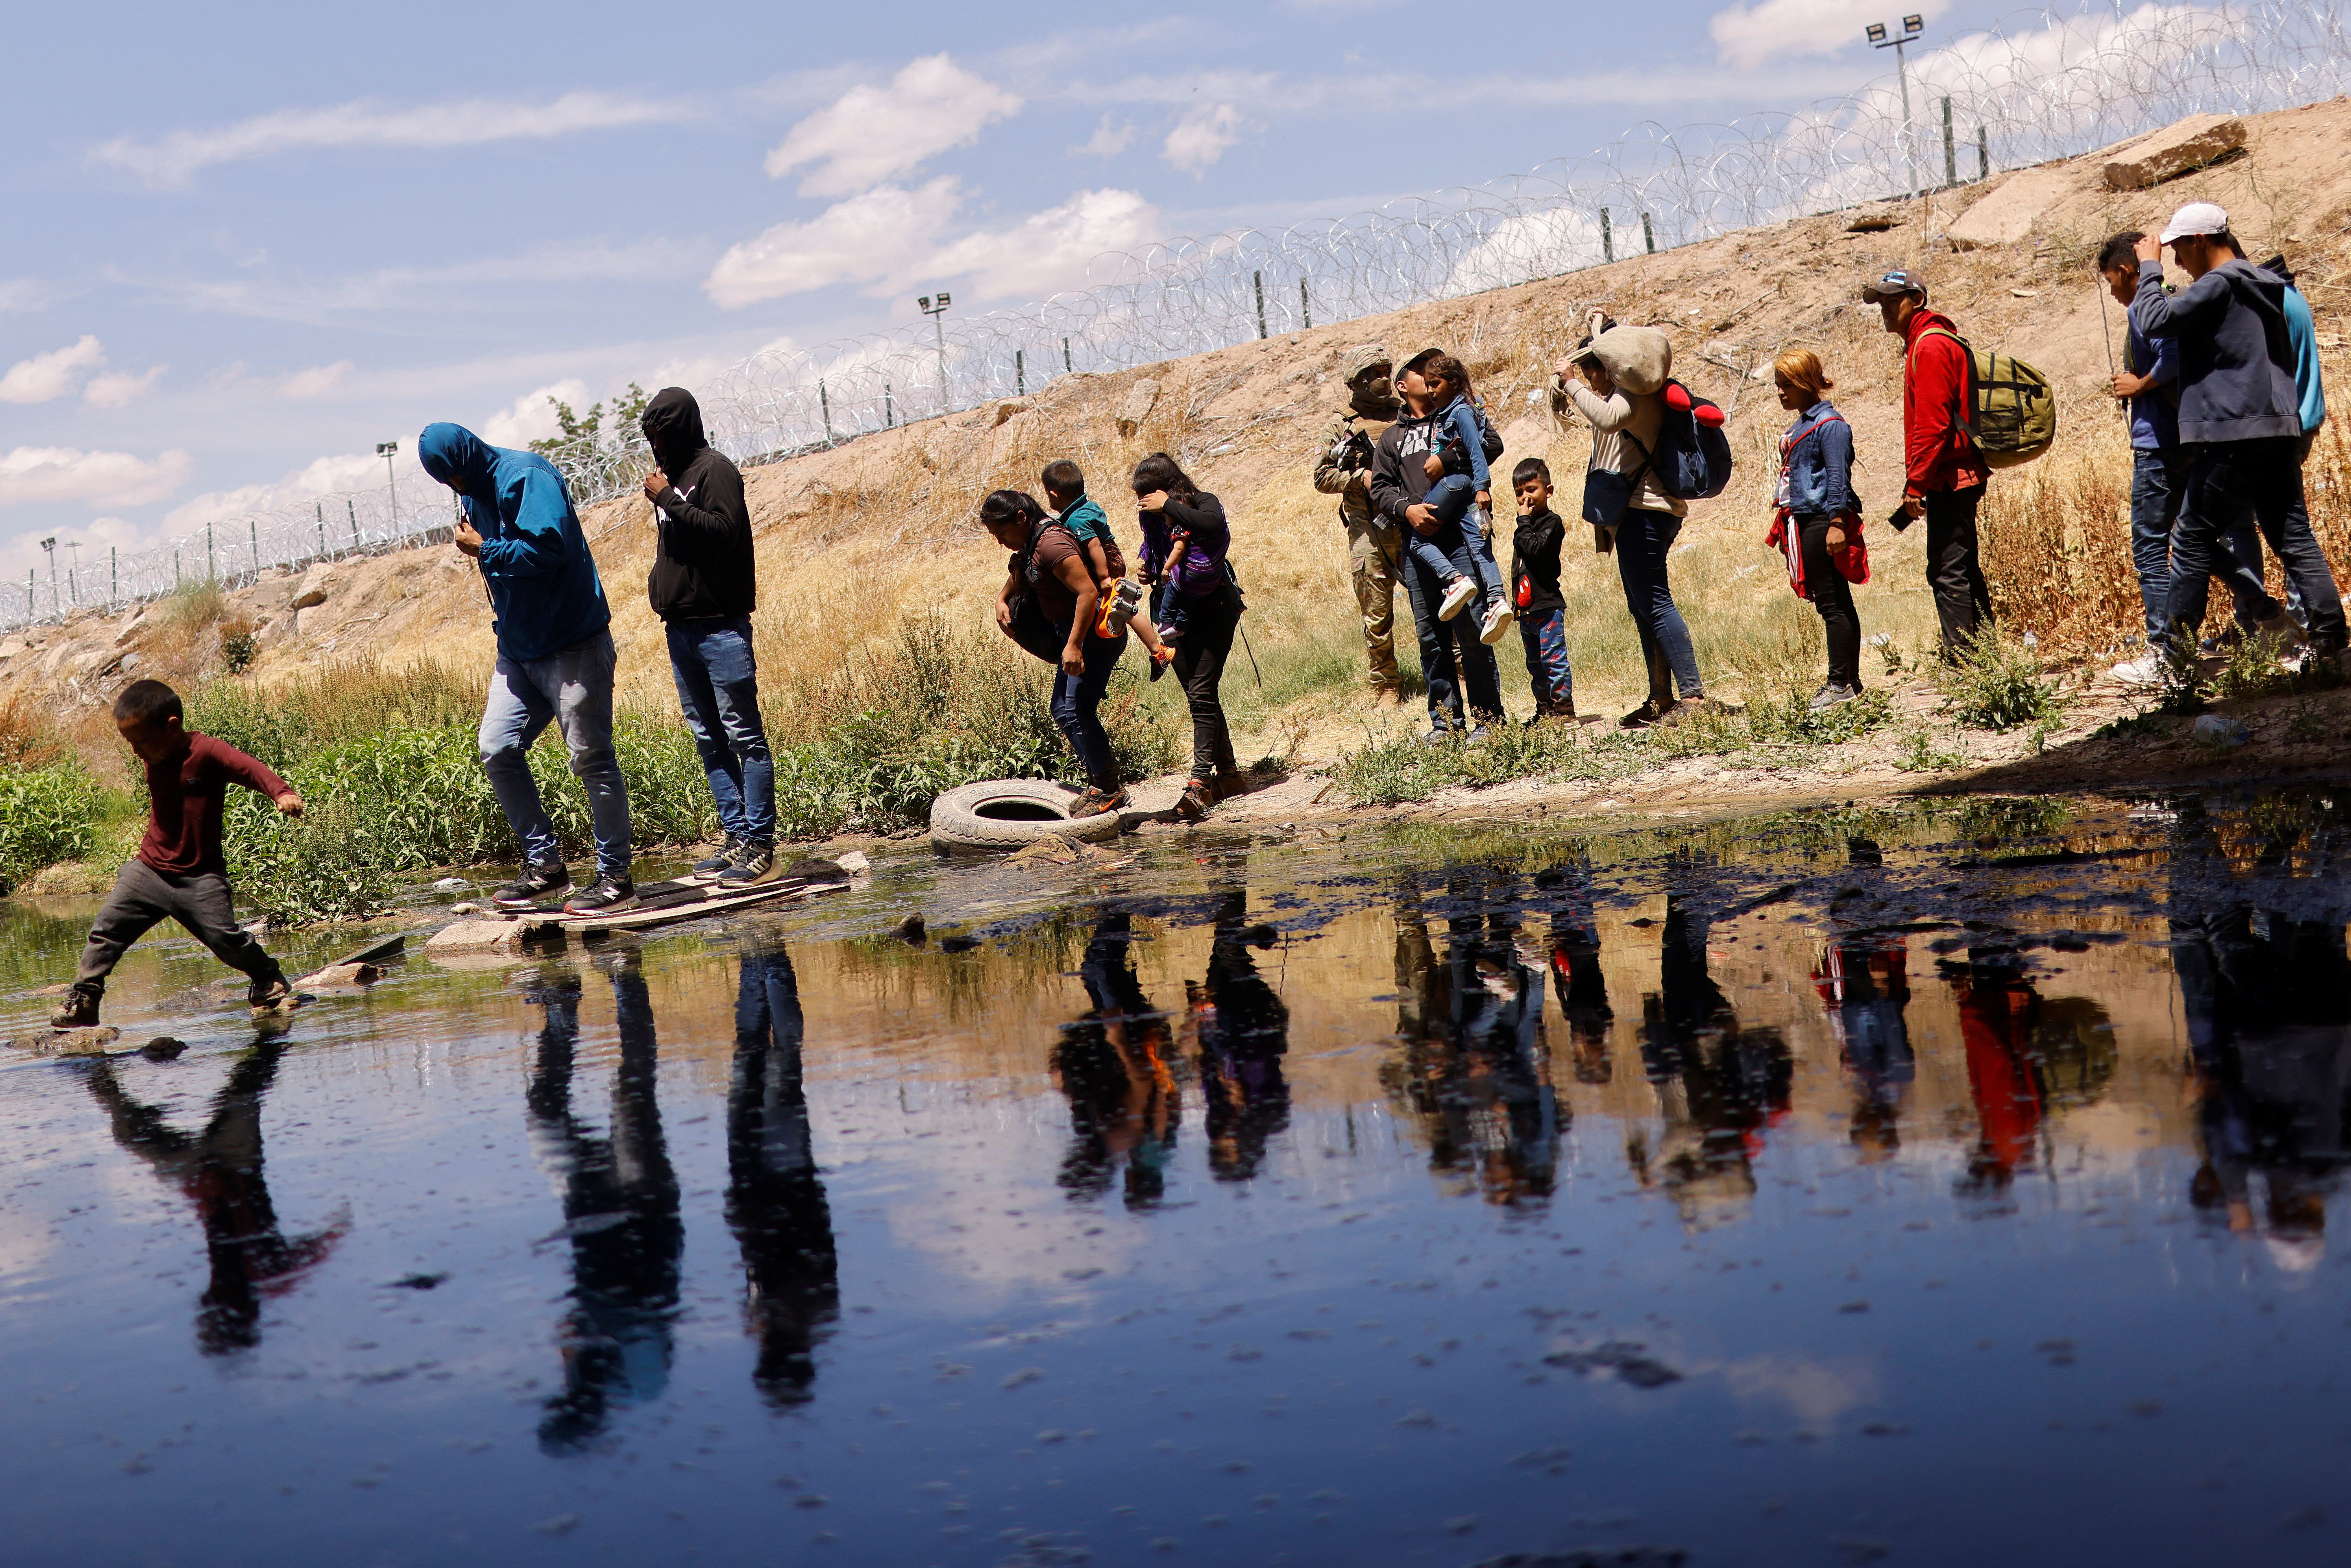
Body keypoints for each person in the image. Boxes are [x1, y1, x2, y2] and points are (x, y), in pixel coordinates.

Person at [421, 421, 635, 914]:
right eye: (444, 481)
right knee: (497, 747)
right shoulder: (472, 492)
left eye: (452, 475)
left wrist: (486, 549)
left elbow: (551, 548)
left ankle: (615, 876)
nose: (452, 487)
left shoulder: (525, 477)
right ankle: (546, 866)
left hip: (572, 643)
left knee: (591, 758)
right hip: (519, 650)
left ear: (466, 456)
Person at [2132, 203, 2348, 669]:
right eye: (2166, 253)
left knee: (2190, 539)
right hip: (2276, 428)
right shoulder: (2266, 284)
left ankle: (2176, 661)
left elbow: (2155, 320)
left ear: (2202, 240)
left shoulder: (2220, 283)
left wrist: (2148, 268)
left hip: (2233, 432)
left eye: (2178, 249)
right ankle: (2332, 646)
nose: (2175, 261)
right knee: (2293, 536)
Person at [51, 678, 301, 1029]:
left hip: (200, 877)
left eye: (143, 741)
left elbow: (249, 768)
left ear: (172, 727)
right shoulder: (156, 750)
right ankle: (85, 1001)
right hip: (149, 871)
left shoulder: (209, 752)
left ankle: (266, 976)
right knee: (106, 932)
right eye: (130, 743)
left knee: (225, 938)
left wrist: (281, 793)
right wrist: (146, 744)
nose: (137, 751)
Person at [2098, 232, 2284, 685]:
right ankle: (2264, 610)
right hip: (2182, 439)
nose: (2113, 293)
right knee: (2195, 539)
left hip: (2159, 444)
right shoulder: (2167, 300)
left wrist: (2138, 385)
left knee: (2150, 544)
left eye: (2112, 282)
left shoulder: (2149, 306)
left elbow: (2172, 358)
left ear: (2127, 271)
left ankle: (2164, 649)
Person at [639, 386, 776, 888]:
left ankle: (760, 845)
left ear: (681, 428)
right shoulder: (671, 478)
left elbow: (724, 531)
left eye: (661, 434)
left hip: (721, 626)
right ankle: (736, 836)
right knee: (708, 738)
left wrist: (670, 500)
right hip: (682, 628)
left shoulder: (714, 470)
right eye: (649, 436)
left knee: (744, 738)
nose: (655, 445)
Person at [1550, 320, 1707, 727]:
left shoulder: (1629, 398)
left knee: (1654, 602)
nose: (1588, 377)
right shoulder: (1634, 394)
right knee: (1643, 607)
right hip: (1642, 513)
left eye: (1592, 369)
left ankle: (1691, 699)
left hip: (1645, 512)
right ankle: (1660, 699)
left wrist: (1570, 383)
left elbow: (1605, 418)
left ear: (1611, 367)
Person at [1372, 348, 1508, 739]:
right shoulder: (1391, 438)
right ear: (1404, 385)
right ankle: (1445, 725)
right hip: (1418, 547)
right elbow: (1380, 488)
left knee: (1472, 630)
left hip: (1460, 540)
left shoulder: (1455, 414)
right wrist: (1407, 510)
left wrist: (1449, 458)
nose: (1429, 378)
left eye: (1436, 375)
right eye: (1421, 373)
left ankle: (1488, 722)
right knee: (1431, 638)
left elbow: (1491, 445)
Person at [1862, 269, 1993, 661]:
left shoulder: (1930, 346)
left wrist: (1915, 485)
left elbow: (1933, 424)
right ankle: (1984, 655)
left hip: (1950, 476)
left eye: (1892, 300)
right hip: (1954, 471)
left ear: (1916, 300)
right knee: (1962, 566)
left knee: (1946, 571)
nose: (1884, 309)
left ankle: (1965, 665)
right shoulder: (1926, 341)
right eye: (1881, 303)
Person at [980, 488, 1129, 817]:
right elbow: (1024, 568)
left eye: (1003, 533)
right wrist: (1002, 597)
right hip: (1074, 636)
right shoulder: (1033, 542)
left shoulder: (1052, 544)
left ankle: (1108, 789)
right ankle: (1102, 784)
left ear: (1022, 518)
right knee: (1063, 709)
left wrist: (1074, 645)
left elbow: (1087, 593)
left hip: (1091, 636)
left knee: (1077, 710)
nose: (1001, 542)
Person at [1132, 453, 1244, 818]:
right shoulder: (1153, 518)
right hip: (1172, 614)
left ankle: (1198, 784)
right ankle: (1227, 776)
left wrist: (1167, 505)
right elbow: (1159, 551)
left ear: (1167, 487)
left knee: (1200, 694)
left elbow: (1210, 525)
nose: (1145, 503)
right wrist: (1151, 570)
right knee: (1200, 695)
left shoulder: (1203, 502)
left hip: (1213, 612)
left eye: (1150, 495)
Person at [1764, 350, 1867, 709]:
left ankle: (1839, 684)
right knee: (1834, 601)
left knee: (1832, 603)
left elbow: (1838, 477)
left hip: (1823, 518)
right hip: (1806, 519)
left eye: (1787, 385)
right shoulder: (1804, 423)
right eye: (1777, 386)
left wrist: (1837, 523)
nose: (1780, 393)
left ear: (1807, 382)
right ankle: (1848, 683)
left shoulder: (1830, 425)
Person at [1312, 344, 1407, 706]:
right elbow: (1321, 477)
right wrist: (1359, 477)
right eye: (1378, 371)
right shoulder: (1340, 425)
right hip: (1368, 530)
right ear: (1359, 380)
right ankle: (1386, 684)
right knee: (1375, 609)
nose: (1386, 376)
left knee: (1435, 601)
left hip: (1410, 520)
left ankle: (1453, 673)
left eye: (1388, 368)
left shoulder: (1405, 413)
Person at [1399, 353, 1512, 646]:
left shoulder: (1460, 412)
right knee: (1479, 545)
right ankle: (1498, 600)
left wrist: (1482, 488)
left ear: (1455, 383)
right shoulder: (1452, 410)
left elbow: (1479, 450)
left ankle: (1455, 580)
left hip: (1454, 484)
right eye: (1427, 384)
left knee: (1418, 540)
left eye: (1435, 384)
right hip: (1465, 489)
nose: (1431, 390)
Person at [1043, 459, 1172, 673]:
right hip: (1111, 557)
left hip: (1105, 562)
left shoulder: (1077, 519)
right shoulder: (1086, 508)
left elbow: (1094, 546)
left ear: (1054, 495)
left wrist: (1104, 577)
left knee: (1122, 608)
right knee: (1119, 606)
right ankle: (1154, 650)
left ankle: (1158, 651)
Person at [1508, 458, 1576, 723]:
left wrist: (1523, 522)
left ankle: (1564, 710)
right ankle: (1545, 710)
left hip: (1547, 606)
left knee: (1553, 659)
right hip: (1527, 609)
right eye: (1519, 493)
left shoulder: (1552, 522)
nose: (1525, 498)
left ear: (1549, 491)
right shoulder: (1523, 528)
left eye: (1531, 490)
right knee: (1535, 664)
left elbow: (1536, 550)